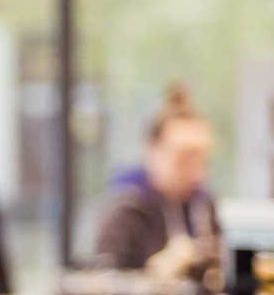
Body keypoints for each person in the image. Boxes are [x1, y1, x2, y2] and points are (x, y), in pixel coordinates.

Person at [92, 82, 219, 278]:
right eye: (184, 158)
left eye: (202, 159)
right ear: (152, 151)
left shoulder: (205, 207)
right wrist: (154, 273)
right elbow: (102, 285)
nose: (196, 172)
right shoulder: (126, 212)